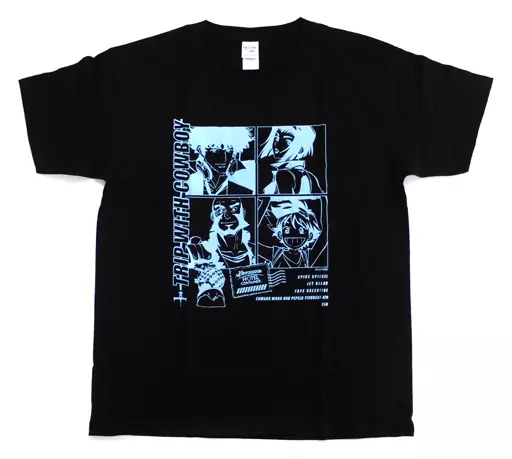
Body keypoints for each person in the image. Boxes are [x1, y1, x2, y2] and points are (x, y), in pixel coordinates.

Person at [188, 126, 255, 195]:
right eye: (215, 150)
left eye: (229, 150)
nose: (224, 159)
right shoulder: (187, 172)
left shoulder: (248, 174)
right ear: (200, 150)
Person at [258, 126, 323, 194]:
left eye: (287, 140)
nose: (276, 143)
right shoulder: (310, 177)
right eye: (276, 137)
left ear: (300, 150)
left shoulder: (287, 174)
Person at [259, 198, 322, 268]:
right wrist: (265, 201)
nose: (294, 235)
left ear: (309, 236)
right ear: (280, 235)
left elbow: (325, 234)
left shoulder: (307, 256)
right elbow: (253, 241)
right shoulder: (275, 253)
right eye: (287, 230)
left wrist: (323, 198)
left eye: (301, 230)